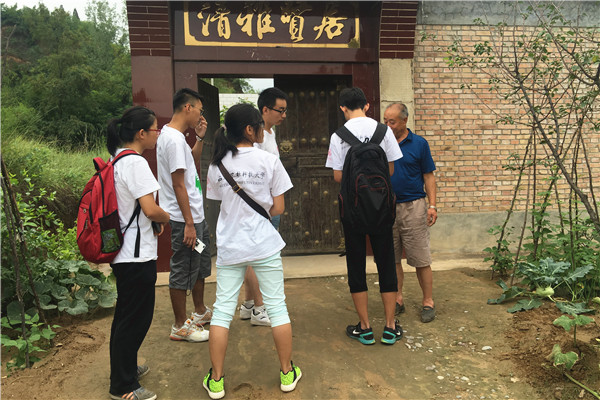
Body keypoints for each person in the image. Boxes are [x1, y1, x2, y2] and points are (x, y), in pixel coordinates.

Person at [204, 103, 301, 399]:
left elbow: (218, 202)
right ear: (249, 129)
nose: (262, 129)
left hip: (231, 245)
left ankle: (216, 380)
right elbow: (278, 208)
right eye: (259, 124)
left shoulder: (217, 165)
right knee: (277, 307)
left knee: (222, 311)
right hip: (263, 244)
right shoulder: (269, 160)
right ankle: (287, 373)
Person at [325, 87, 403, 345]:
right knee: (386, 262)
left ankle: (365, 327)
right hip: (382, 209)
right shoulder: (384, 131)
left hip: (353, 210)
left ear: (343, 108)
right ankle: (390, 326)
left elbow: (338, 176)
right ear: (367, 105)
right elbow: (390, 170)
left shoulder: (338, 136)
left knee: (356, 264)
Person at [107, 106, 171, 400]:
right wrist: (166, 217)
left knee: (125, 316)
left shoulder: (117, 159)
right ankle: (123, 386)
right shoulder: (135, 163)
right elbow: (150, 209)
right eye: (155, 129)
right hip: (136, 255)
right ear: (141, 133)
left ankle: (126, 369)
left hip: (124, 253)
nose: (157, 134)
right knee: (135, 319)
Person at [156, 88, 211, 342]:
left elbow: (191, 164)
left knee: (198, 265)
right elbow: (178, 184)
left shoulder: (175, 137)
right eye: (199, 109)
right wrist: (189, 223)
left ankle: (199, 312)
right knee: (182, 268)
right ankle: (180, 326)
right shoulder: (174, 140)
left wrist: (199, 138)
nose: (200, 114)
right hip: (184, 219)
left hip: (194, 216)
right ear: (187, 107)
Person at [238, 87, 289, 327]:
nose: (284, 115)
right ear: (265, 109)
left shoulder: (270, 133)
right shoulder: (255, 138)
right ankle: (259, 308)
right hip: (260, 206)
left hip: (268, 204)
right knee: (257, 257)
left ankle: (249, 303)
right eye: (280, 110)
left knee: (253, 256)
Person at [383, 103, 438, 323]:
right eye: (385, 121)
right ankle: (397, 299)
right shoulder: (382, 143)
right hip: (387, 208)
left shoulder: (419, 144)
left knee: (421, 258)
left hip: (413, 207)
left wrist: (432, 205)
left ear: (404, 120)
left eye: (392, 122)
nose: (388, 125)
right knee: (392, 258)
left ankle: (428, 301)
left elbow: (428, 176)